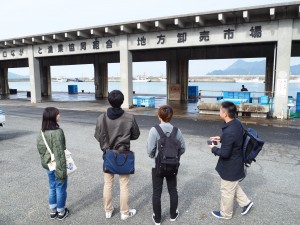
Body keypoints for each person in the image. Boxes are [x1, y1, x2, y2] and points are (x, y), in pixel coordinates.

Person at [94, 90, 140, 220]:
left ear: (109, 101)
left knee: (108, 183)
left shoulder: (101, 118)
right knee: (124, 184)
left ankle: (108, 211)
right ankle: (124, 212)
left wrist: (107, 145)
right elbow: (136, 135)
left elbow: (98, 136)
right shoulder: (129, 117)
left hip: (108, 154)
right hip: (124, 154)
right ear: (122, 101)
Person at [208, 101, 253, 220]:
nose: (219, 112)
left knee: (226, 190)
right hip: (237, 160)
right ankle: (246, 203)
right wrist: (221, 138)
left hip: (231, 165)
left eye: (220, 110)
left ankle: (226, 214)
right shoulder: (236, 122)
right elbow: (235, 138)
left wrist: (213, 148)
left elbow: (225, 154)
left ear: (225, 114)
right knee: (232, 185)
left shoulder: (229, 131)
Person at [147, 105, 185, 225]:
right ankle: (173, 215)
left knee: (157, 192)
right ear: (171, 116)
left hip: (157, 165)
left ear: (159, 116)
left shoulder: (154, 130)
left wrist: (154, 156)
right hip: (172, 165)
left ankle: (157, 219)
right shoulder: (177, 131)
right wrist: (174, 156)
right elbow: (182, 148)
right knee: (173, 190)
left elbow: (150, 150)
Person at [36, 107, 69, 220]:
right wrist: (62, 171)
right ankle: (61, 212)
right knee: (60, 187)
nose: (59, 116)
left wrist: (46, 159)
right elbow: (60, 152)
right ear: (53, 117)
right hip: (58, 164)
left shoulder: (41, 132)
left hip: (48, 164)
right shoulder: (58, 132)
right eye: (58, 114)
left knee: (52, 186)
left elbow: (40, 149)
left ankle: (53, 210)